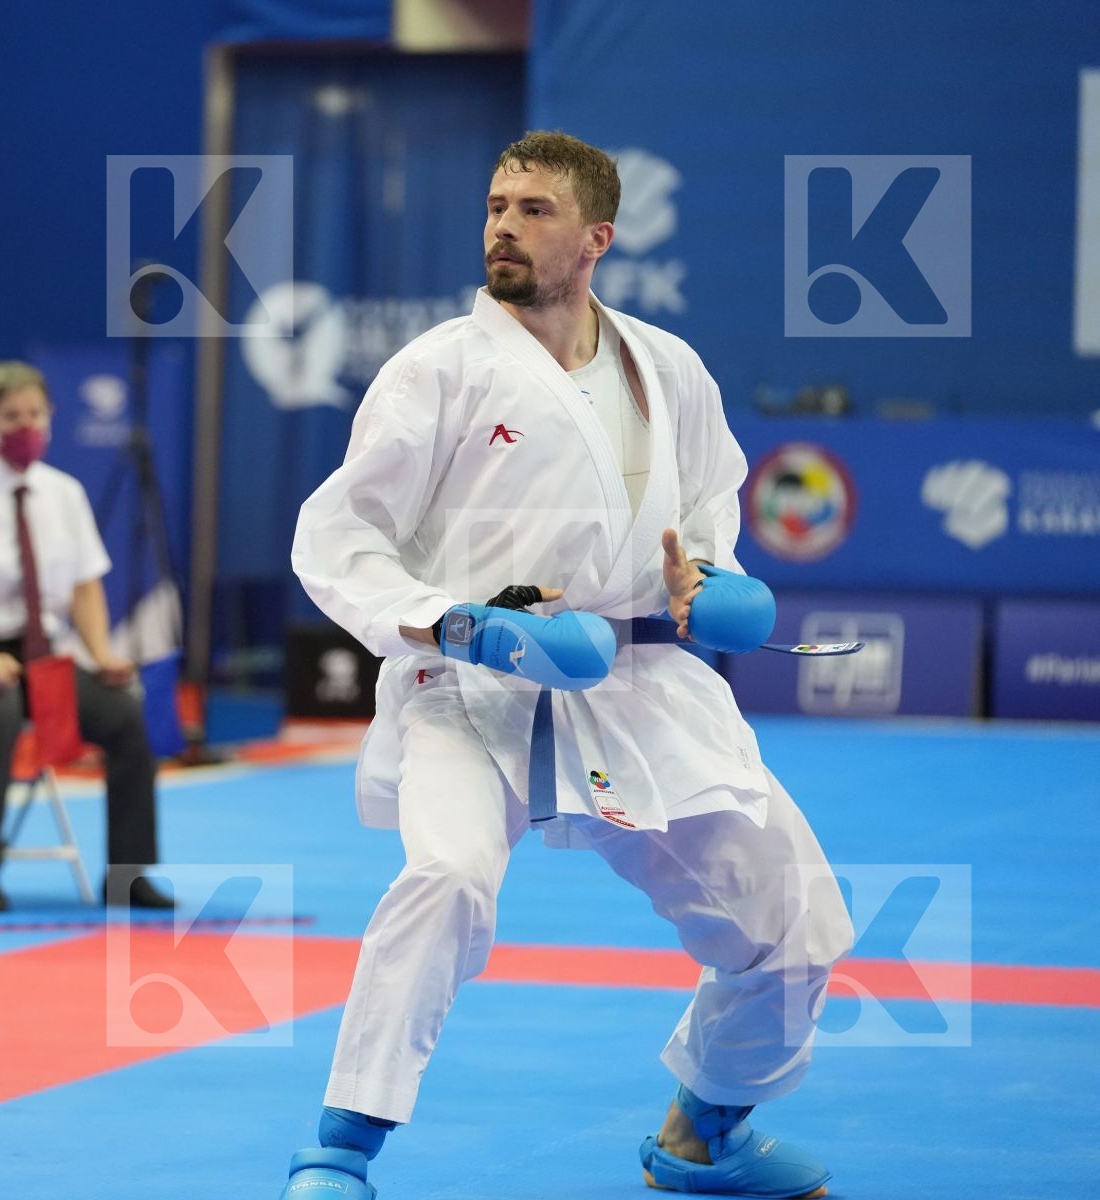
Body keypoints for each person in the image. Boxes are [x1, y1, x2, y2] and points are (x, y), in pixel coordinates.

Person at [280, 131, 853, 1199]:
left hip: (636, 682)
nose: (502, 224)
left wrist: (710, 586)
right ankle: (339, 1150)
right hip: (474, 682)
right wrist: (457, 623)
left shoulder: (667, 368)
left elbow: (703, 518)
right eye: (496, 204)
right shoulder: (439, 369)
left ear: (597, 238)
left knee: (801, 919)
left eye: (533, 209)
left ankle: (704, 1135)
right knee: (446, 880)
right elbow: (340, 539)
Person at [0, 361, 173, 912]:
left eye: (34, 413)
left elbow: (84, 589)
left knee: (124, 714)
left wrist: (102, 654)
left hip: (41, 656)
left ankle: (128, 874)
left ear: (51, 416)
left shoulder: (65, 494)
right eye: (11, 416)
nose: (25, 425)